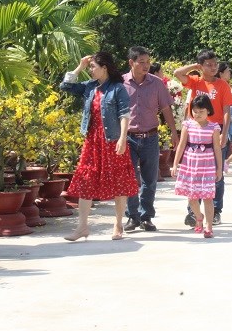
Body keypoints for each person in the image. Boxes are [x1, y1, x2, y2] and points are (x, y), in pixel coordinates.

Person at [60, 52, 139, 241]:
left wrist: (122, 138)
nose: (90, 70)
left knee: (119, 182)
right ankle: (82, 227)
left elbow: (124, 115)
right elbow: (65, 86)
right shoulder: (90, 86)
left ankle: (118, 224)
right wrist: (79, 67)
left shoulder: (118, 88)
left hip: (112, 141)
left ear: (104, 68)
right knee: (85, 180)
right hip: (93, 142)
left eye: (93, 67)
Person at [174, 50, 232, 227]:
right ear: (201, 66)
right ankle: (193, 213)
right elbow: (178, 73)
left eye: (215, 64)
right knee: (194, 173)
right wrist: (196, 66)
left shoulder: (222, 85)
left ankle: (215, 211)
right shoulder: (195, 81)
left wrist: (224, 133)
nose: (214, 67)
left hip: (215, 131)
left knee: (216, 174)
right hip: (195, 132)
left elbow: (226, 111)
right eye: (209, 64)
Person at [123, 46, 179, 232]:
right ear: (131, 63)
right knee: (130, 178)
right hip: (128, 138)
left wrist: (174, 132)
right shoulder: (121, 83)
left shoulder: (156, 83)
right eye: (141, 62)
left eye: (148, 62)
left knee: (150, 179)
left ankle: (146, 216)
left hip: (150, 137)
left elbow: (166, 108)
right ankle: (132, 216)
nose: (146, 65)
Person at [171, 95, 222, 238]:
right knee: (191, 197)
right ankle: (199, 216)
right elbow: (181, 145)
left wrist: (219, 168)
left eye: (201, 111)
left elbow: (217, 148)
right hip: (190, 165)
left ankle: (209, 227)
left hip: (207, 166)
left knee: (208, 197)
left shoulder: (213, 127)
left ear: (208, 111)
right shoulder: (187, 125)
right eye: (195, 111)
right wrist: (175, 164)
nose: (197, 114)